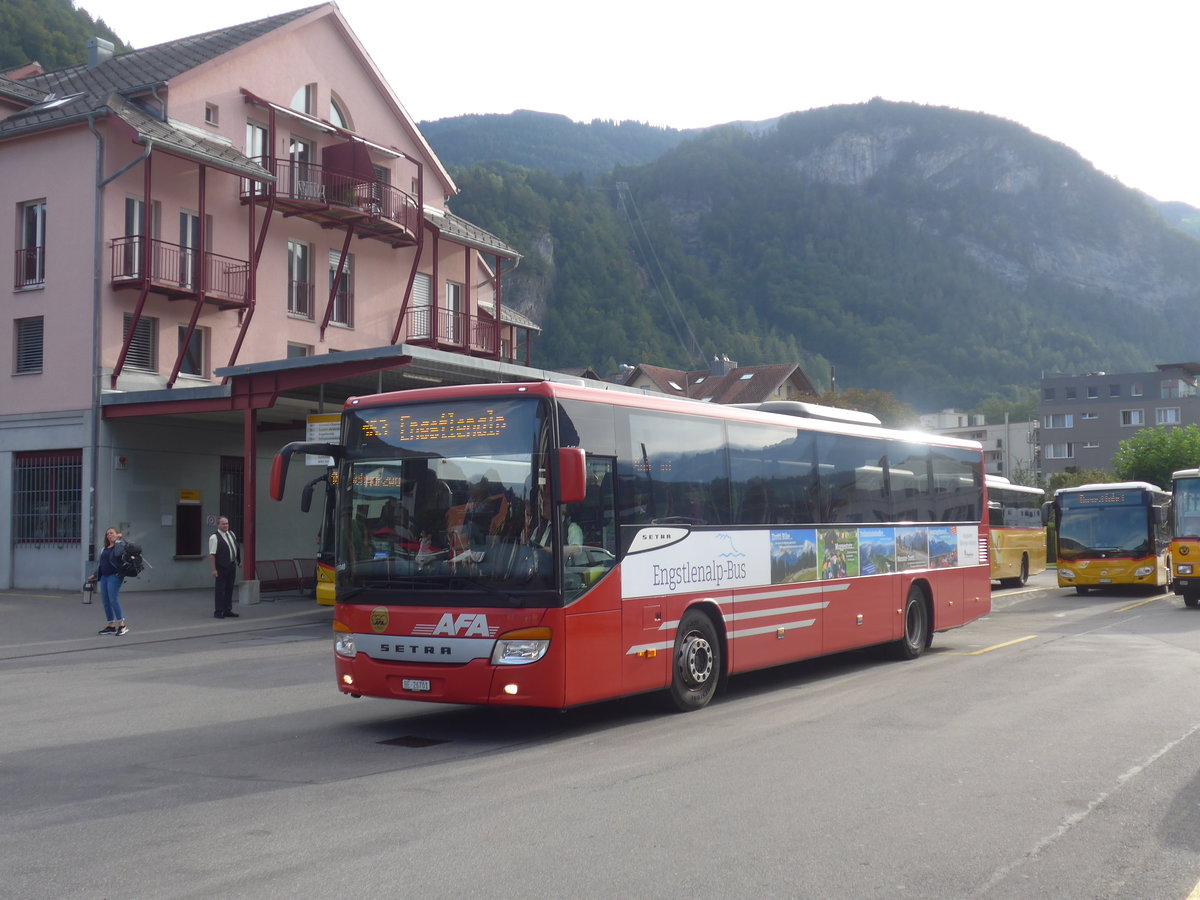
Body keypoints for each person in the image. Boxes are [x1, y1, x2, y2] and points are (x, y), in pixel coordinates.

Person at [86, 526, 129, 635]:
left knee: (113, 599)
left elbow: (119, 553)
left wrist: (118, 540)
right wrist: (94, 575)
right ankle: (111, 626)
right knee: (106, 601)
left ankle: (122, 625)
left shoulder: (120, 546)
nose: (109, 535)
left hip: (115, 576)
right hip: (105, 577)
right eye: (108, 534)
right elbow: (101, 565)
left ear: (117, 534)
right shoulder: (104, 549)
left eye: (112, 533)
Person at [208, 516, 242, 619]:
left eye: (227, 523)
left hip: (231, 565)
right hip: (221, 566)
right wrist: (214, 569)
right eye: (223, 524)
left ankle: (227, 610)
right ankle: (218, 611)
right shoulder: (214, 537)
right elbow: (212, 555)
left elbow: (236, 548)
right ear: (218, 525)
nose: (225, 525)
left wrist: (239, 561)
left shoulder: (231, 534)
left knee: (229, 588)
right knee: (220, 589)